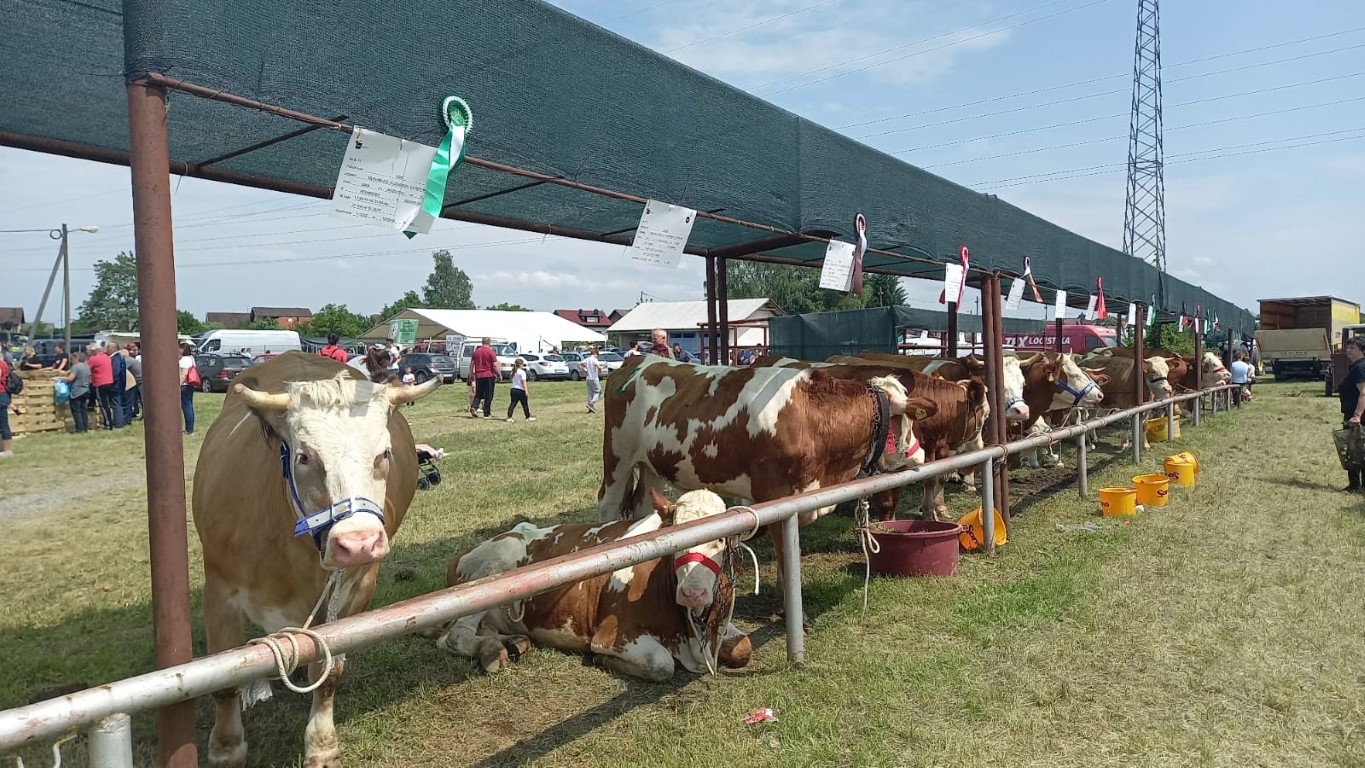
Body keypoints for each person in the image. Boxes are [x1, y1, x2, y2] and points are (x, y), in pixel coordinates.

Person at [1337, 335, 1365, 493]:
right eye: (1347, 348)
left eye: (1352, 348)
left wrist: (1357, 415)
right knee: (1356, 451)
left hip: (1358, 418)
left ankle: (1356, 486)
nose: (1348, 351)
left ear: (1362, 351)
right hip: (1354, 415)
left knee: (1356, 451)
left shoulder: (1360, 368)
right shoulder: (1356, 367)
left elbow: (1364, 393)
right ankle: (1356, 485)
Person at [59, 352, 92, 434]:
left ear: (76, 359)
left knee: (76, 411)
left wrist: (60, 378)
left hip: (77, 392)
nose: (71, 361)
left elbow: (70, 378)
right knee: (84, 410)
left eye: (72, 359)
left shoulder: (76, 367)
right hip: (86, 390)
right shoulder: (87, 366)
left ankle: (79, 429)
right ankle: (85, 428)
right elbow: (90, 379)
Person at [470, 337, 501, 419]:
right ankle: (486, 413)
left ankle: (474, 406)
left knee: (478, 393)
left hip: (479, 375)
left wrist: (471, 374)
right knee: (489, 394)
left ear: (482, 342)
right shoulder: (491, 352)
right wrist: (499, 375)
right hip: (488, 375)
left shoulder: (476, 352)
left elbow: (472, 364)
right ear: (489, 342)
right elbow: (494, 365)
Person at [87, 342, 115, 430]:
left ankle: (108, 424)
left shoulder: (94, 359)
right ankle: (110, 422)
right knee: (107, 404)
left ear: (94, 351)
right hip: (109, 382)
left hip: (100, 383)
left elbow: (85, 368)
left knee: (103, 404)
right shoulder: (105, 357)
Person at [105, 343, 128, 428]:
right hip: (117, 384)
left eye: (108, 347)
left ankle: (118, 423)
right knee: (116, 404)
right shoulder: (116, 357)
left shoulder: (116, 358)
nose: (106, 349)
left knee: (116, 404)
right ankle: (118, 422)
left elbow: (115, 371)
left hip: (115, 385)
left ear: (114, 348)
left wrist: (110, 381)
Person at [506, 358, 535, 422]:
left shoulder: (513, 372)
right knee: (525, 404)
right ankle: (527, 417)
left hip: (513, 389)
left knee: (513, 403)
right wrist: (526, 390)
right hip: (520, 390)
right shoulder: (522, 372)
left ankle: (509, 417)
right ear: (521, 365)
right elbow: (523, 382)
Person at [178, 342, 198, 434]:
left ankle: (189, 429)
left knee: (186, 407)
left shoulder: (185, 360)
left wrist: (178, 385)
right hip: (191, 385)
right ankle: (190, 428)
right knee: (189, 406)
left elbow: (184, 374)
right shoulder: (191, 358)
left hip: (184, 385)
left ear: (183, 349)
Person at [580, 346, 603, 414]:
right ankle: (591, 403)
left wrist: (585, 370)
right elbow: (598, 367)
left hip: (588, 378)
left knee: (590, 393)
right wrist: (600, 371)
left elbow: (579, 364)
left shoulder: (587, 359)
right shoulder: (594, 359)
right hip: (594, 378)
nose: (597, 356)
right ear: (595, 353)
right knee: (598, 392)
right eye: (597, 355)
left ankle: (590, 408)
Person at [125, 343, 143, 420]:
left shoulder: (128, 360)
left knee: (142, 399)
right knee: (139, 399)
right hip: (138, 380)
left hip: (140, 380)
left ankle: (146, 415)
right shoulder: (133, 360)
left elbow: (122, 369)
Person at [0, 354, 13, 457]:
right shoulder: (4, 363)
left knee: (3, 423)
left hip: (0, 394)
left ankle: (7, 451)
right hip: (3, 395)